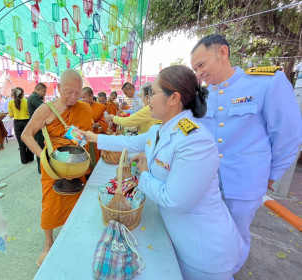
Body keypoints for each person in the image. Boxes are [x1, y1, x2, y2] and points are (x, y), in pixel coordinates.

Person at [82, 65, 241, 280]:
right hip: (177, 236)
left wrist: (144, 174)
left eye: (153, 94)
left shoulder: (195, 140)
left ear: (173, 98)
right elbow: (129, 141)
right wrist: (91, 137)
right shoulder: (159, 129)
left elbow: (175, 200)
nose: (148, 101)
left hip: (203, 248)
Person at [190, 34, 302, 274]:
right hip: (208, 182)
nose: (198, 73)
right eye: (195, 68)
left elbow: (287, 134)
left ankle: (230, 273)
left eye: (201, 65)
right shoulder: (204, 95)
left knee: (237, 236)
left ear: (222, 53)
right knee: (214, 234)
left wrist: (272, 175)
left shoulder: (265, 82)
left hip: (245, 182)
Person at [21, 69, 93, 267]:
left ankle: (75, 234)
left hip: (77, 162)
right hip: (52, 164)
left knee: (77, 199)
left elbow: (87, 131)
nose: (73, 97)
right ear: (58, 87)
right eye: (68, 91)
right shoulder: (46, 110)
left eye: (78, 93)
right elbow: (26, 135)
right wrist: (42, 156)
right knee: (51, 202)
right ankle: (48, 243)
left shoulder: (85, 109)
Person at [80, 87, 109, 166]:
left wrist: (97, 124)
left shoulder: (100, 107)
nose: (82, 99)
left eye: (84, 97)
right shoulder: (79, 107)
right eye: (81, 97)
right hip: (82, 137)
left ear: (91, 96)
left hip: (94, 136)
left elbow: (105, 121)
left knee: (94, 157)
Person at [8, 87, 34, 164]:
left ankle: (24, 160)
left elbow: (10, 115)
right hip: (26, 122)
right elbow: (30, 113)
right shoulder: (26, 101)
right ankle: (30, 158)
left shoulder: (11, 102)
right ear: (22, 93)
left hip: (17, 123)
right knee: (29, 140)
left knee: (21, 142)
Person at [28, 82, 47, 174]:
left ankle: (42, 167)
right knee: (40, 147)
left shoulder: (35, 97)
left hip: (38, 126)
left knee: (42, 146)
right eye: (44, 91)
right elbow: (45, 108)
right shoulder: (34, 98)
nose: (45, 93)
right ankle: (41, 169)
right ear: (38, 90)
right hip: (38, 127)